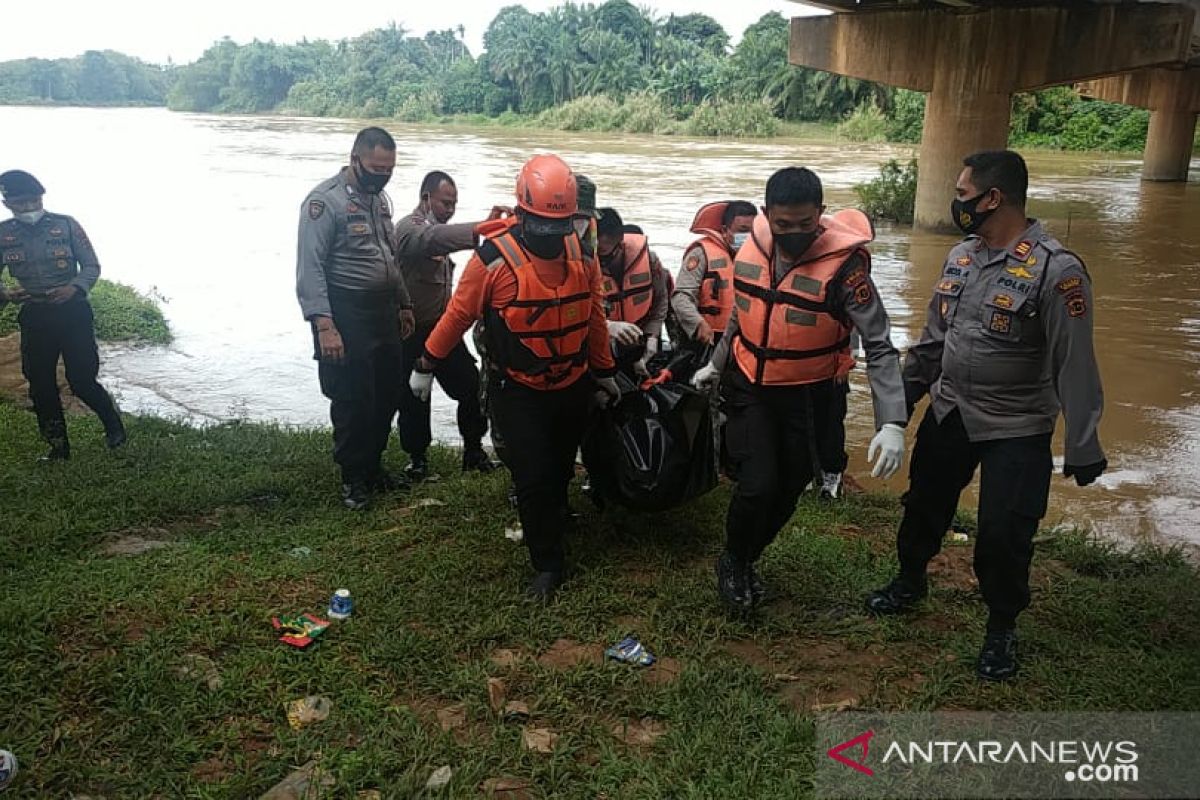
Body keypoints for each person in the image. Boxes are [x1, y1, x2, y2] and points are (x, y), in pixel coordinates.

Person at [866, 150, 1105, 682]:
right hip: (951, 409)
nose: (957, 203)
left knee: (1003, 532)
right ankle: (909, 579)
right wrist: (896, 413)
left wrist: (1084, 443)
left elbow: (1076, 364)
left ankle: (1001, 627)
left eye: (962, 194)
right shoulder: (961, 258)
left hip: (1016, 425)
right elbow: (932, 342)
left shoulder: (1057, 270)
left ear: (992, 198)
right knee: (923, 504)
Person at [692, 167, 907, 612]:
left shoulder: (846, 270)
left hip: (809, 394)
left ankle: (750, 557)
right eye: (783, 224)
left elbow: (880, 343)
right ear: (767, 213)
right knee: (757, 484)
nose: (793, 234)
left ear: (821, 215)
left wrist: (893, 421)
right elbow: (744, 310)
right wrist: (715, 364)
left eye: (805, 225)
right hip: (750, 384)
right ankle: (733, 560)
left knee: (789, 486)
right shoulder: (752, 245)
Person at [409, 155, 618, 601]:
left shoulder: (583, 254)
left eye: (558, 223)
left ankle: (555, 518)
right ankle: (548, 564)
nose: (549, 234)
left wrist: (605, 371)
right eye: (541, 223)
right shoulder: (491, 260)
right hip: (517, 388)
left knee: (560, 465)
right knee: (531, 474)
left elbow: (594, 317)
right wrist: (426, 364)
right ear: (522, 212)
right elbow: (457, 316)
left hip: (571, 381)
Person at [296, 126, 414, 510]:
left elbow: (389, 258)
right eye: (376, 168)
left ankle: (373, 465)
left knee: (388, 393)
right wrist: (324, 325)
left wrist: (405, 303)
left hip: (383, 312)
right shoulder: (323, 203)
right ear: (355, 160)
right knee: (353, 398)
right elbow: (310, 268)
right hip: (345, 314)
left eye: (389, 170)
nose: (383, 176)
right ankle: (353, 478)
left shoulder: (380, 202)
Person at [0, 170, 126, 460]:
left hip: (73, 313)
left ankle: (113, 427)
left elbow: (92, 266)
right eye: (22, 204)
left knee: (82, 379)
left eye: (34, 201)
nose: (30, 208)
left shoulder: (67, 226)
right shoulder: (3, 234)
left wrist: (75, 288)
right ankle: (58, 446)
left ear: (42, 198)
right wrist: (6, 294)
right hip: (35, 315)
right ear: (8, 204)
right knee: (40, 383)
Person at [393, 170, 509, 481]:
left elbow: (442, 237)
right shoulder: (408, 229)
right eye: (446, 203)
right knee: (415, 399)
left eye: (455, 203)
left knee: (471, 388)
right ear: (426, 198)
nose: (450, 209)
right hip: (409, 332)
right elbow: (429, 240)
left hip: (442, 330)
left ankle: (473, 451)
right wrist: (481, 231)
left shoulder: (440, 230)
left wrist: (484, 230)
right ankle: (417, 461)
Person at [670, 200, 757, 352]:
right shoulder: (700, 253)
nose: (748, 237)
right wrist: (697, 324)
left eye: (753, 231)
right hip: (709, 337)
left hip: (746, 337)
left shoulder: (761, 256)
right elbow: (681, 297)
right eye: (742, 230)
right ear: (725, 230)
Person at [595, 208, 670, 378]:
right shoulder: (582, 266)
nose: (602, 260)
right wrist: (608, 326)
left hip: (641, 339)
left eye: (607, 254)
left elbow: (660, 300)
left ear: (620, 240)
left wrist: (652, 336)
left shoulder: (650, 260)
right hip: (602, 342)